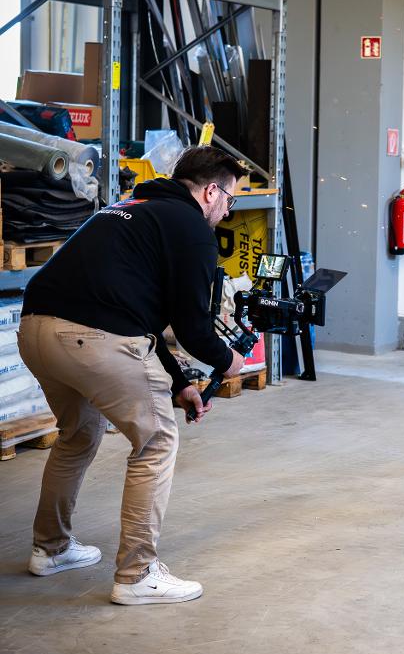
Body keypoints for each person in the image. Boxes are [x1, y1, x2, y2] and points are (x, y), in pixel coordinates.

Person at [18, 146, 245, 604]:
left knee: (78, 434)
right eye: (230, 199)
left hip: (36, 331)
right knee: (156, 441)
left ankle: (51, 548)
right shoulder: (191, 230)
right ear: (210, 191)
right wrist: (229, 361)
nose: (227, 211)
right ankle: (137, 575)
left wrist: (180, 383)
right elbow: (193, 329)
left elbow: (141, 316)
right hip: (92, 340)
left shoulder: (130, 208)